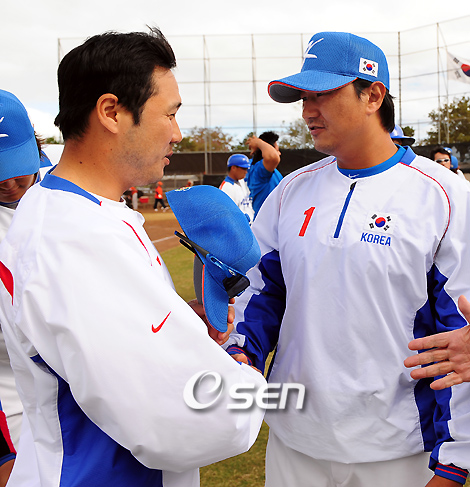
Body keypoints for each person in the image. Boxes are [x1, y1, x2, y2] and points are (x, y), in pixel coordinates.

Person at [0, 29, 265, 487]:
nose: (177, 133)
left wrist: (181, 329)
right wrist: (246, 374)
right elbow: (179, 420)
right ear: (111, 112)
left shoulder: (82, 211)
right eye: (170, 114)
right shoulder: (75, 236)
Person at [225, 31, 470, 486]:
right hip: (295, 440)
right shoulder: (291, 190)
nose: (307, 111)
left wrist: (455, 460)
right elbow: (260, 291)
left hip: (398, 448)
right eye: (303, 98)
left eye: (322, 95)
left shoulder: (446, 195)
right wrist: (243, 352)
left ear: (373, 95)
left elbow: (460, 335)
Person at [0, 89, 53, 448]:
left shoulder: (69, 186)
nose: (8, 183)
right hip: (12, 397)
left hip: (85, 387)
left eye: (16, 167)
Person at [246, 131, 282, 218]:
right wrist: (257, 142)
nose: (279, 153)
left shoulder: (268, 170)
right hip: (266, 221)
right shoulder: (259, 170)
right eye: (277, 150)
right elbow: (273, 157)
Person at [219, 153, 254, 223]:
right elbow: (228, 215)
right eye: (243, 168)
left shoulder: (242, 182)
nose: (246, 171)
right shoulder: (226, 188)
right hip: (241, 226)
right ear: (233, 168)